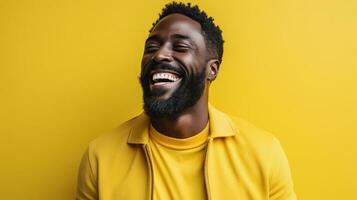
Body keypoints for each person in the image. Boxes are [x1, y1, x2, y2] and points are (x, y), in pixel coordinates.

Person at [76, 2, 297, 200]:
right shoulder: (100, 158)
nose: (159, 55)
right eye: (151, 48)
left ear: (212, 69)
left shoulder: (264, 154)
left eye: (180, 47)